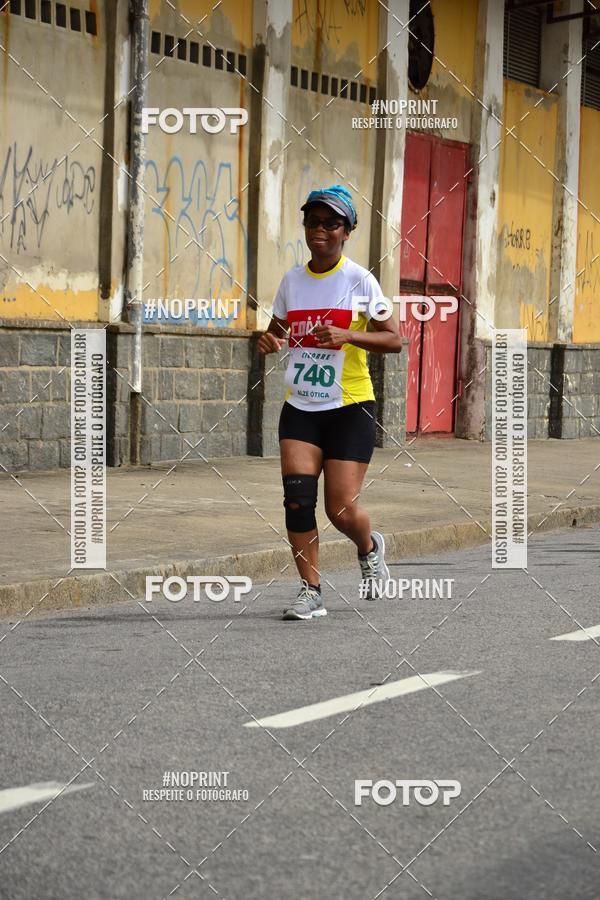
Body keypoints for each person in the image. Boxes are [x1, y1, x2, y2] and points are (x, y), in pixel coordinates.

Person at [257, 184, 403, 620]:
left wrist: (348, 334)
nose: (319, 229)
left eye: (331, 223)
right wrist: (268, 340)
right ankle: (310, 589)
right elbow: (276, 331)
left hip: (349, 407)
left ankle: (369, 545)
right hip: (301, 406)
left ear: (347, 231)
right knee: (297, 499)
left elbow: (395, 340)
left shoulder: (359, 280)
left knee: (339, 509)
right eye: (312, 221)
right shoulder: (292, 281)